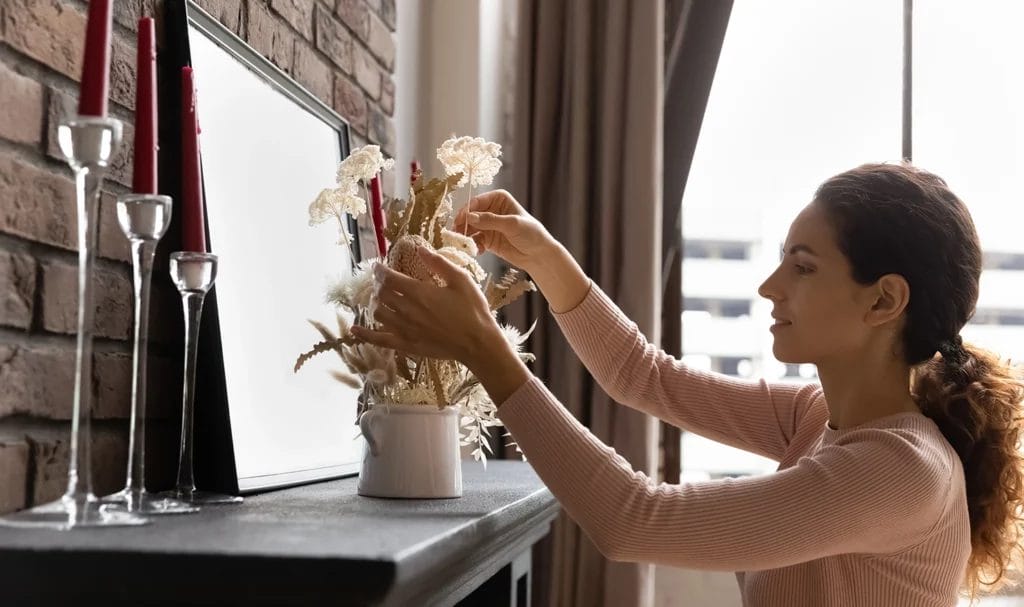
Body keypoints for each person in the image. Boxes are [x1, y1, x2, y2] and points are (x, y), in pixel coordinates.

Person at [350, 163, 1024, 606]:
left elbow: (633, 519)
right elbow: (644, 375)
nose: (769, 287)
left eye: (803, 266)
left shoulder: (902, 469)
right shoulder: (820, 415)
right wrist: (548, 260)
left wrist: (484, 351)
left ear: (883, 301)